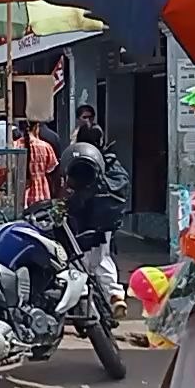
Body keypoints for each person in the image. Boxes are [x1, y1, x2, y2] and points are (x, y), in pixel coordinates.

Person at [72, 124, 127, 313]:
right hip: (107, 220)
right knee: (103, 257)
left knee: (81, 261)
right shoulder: (110, 160)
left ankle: (84, 300)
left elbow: (74, 189)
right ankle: (115, 294)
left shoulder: (80, 162)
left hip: (86, 219)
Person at [16, 120, 58, 206]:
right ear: (36, 127)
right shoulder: (46, 146)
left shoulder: (14, 146)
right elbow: (51, 169)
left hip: (20, 194)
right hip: (41, 193)